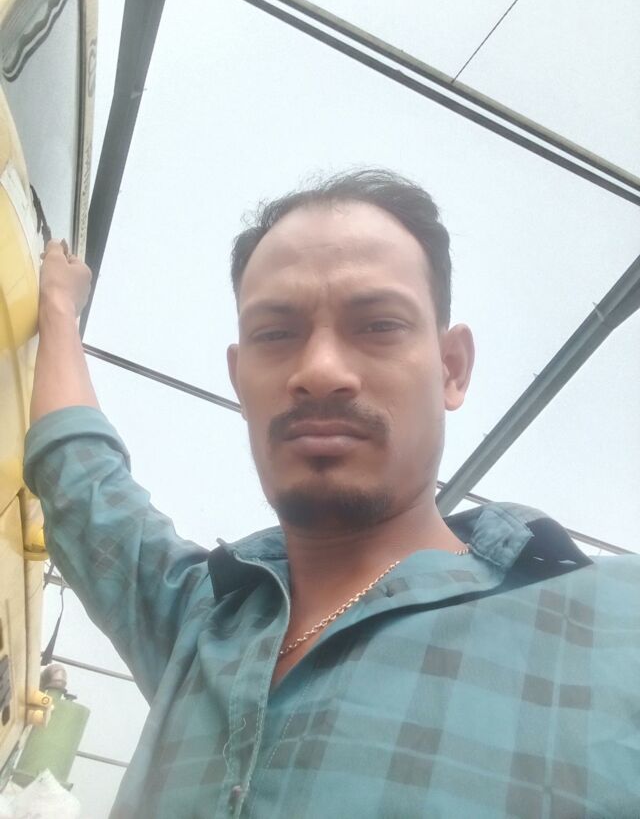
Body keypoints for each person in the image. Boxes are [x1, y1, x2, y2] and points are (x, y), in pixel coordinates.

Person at [24, 170, 639, 818]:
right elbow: (81, 480)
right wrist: (59, 309)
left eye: (378, 325)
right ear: (239, 378)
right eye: (275, 334)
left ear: (452, 368)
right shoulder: (198, 623)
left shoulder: (615, 628)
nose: (319, 370)